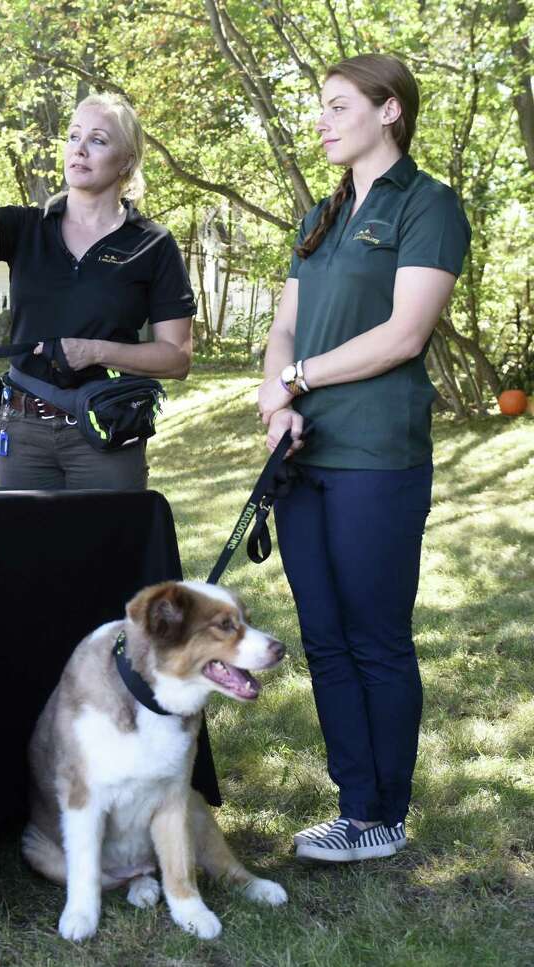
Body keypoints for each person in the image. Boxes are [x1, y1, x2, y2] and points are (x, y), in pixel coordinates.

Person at [256, 54, 470, 861]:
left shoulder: (429, 206)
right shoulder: (322, 212)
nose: (322, 119)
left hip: (376, 453)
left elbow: (403, 334)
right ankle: (357, 806)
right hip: (301, 453)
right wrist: (277, 396)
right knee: (324, 635)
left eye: (338, 105)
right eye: (320, 107)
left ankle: (386, 811)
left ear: (389, 111)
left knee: (375, 635)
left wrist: (300, 376)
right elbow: (285, 323)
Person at [0, 91, 195, 490]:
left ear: (126, 161)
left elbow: (176, 359)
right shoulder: (28, 228)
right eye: (73, 137)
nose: (80, 150)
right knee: (22, 552)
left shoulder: (152, 244)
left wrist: (93, 351)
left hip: (104, 432)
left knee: (108, 553)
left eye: (98, 140)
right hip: (23, 435)